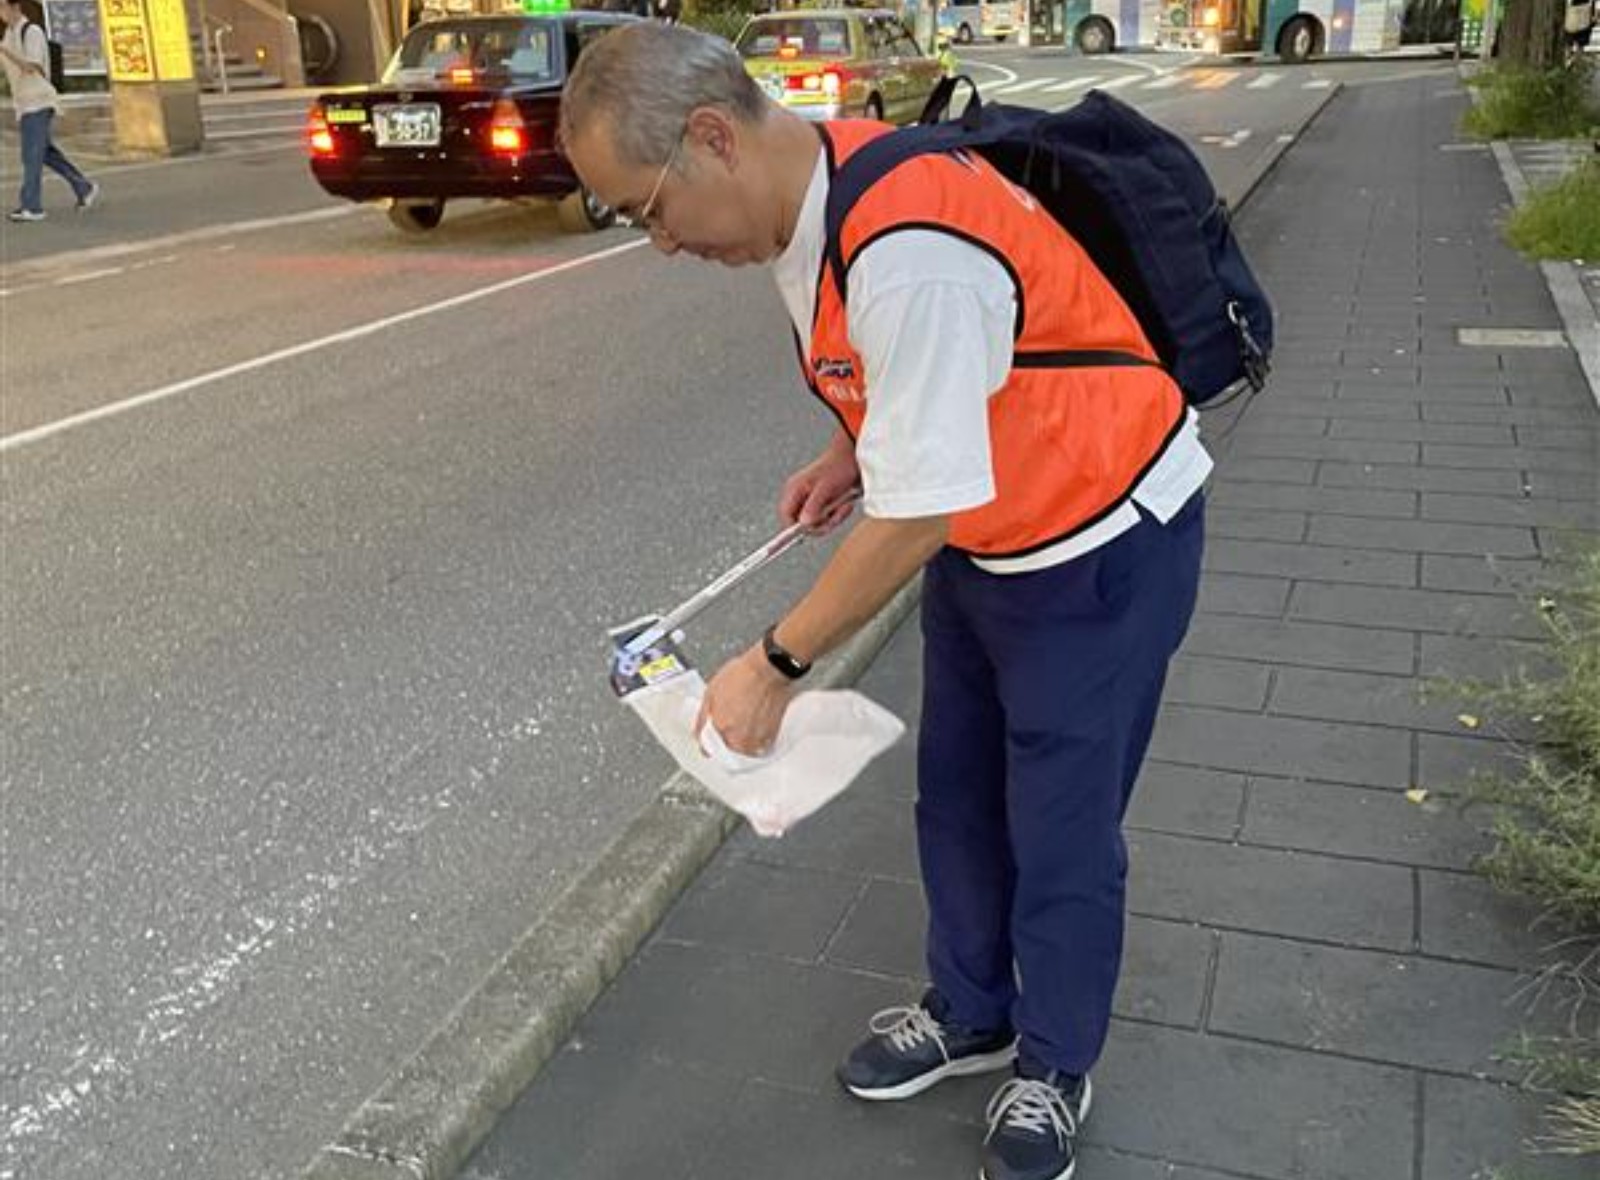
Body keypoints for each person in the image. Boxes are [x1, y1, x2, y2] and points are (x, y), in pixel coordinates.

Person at [560, 23, 1208, 1180]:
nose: (656, 242)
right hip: (995, 526)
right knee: (957, 792)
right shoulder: (808, 202)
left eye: (646, 207)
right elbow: (909, 388)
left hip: (1099, 534)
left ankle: (1054, 1060)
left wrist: (775, 665)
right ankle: (970, 1010)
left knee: (1058, 822)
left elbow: (915, 518)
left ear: (713, 137)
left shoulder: (903, 239)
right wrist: (851, 449)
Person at [0, 0, 97, 222]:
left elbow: (30, 66)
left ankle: (32, 206)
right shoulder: (9, 34)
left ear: (15, 7)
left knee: (31, 155)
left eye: (2, 6)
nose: (0, 12)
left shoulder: (31, 31)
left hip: (39, 100)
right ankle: (84, 187)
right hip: (24, 103)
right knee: (46, 153)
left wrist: (4, 50)